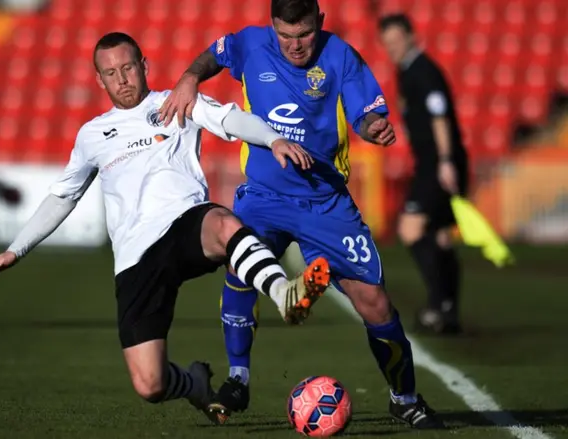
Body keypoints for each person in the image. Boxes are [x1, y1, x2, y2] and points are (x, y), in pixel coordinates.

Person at [0, 32, 332, 424]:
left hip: (184, 225)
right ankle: (196, 383)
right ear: (99, 80)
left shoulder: (177, 101)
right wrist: (16, 249)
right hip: (135, 260)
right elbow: (64, 196)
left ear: (144, 65)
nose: (122, 79)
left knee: (223, 222)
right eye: (111, 73)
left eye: (128, 67)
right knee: (150, 384)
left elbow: (231, 118)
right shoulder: (92, 136)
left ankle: (284, 293)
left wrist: (274, 138)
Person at [160, 0, 443, 429]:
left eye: (304, 34)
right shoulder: (251, 45)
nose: (294, 45)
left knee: (375, 301)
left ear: (320, 23)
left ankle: (404, 398)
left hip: (324, 201)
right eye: (285, 36)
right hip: (264, 194)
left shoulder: (340, 56)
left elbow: (367, 118)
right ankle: (238, 378)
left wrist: (375, 130)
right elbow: (213, 55)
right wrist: (188, 79)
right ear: (272, 28)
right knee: (241, 266)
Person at [378, 14, 469, 334]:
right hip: (437, 162)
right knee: (442, 237)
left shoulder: (422, 71)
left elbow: (439, 116)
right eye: (387, 43)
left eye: (397, 41)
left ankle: (437, 303)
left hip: (438, 165)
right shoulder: (407, 71)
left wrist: (445, 161)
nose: (392, 48)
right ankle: (448, 310)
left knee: (410, 229)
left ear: (411, 37)